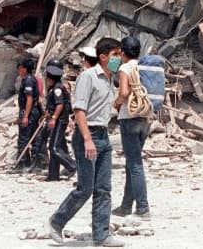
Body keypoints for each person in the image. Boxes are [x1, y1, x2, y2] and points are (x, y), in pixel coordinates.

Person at [48, 37, 125, 247]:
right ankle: (56, 221)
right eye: (115, 55)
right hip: (87, 136)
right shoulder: (88, 77)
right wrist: (88, 139)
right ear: (103, 57)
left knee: (104, 188)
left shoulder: (110, 79)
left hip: (103, 136)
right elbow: (79, 110)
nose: (119, 58)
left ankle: (101, 234)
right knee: (85, 188)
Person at [111, 36, 151, 219]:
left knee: (134, 165)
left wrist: (117, 103)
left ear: (123, 52)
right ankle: (126, 206)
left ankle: (142, 207)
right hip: (144, 118)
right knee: (131, 164)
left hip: (129, 117)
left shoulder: (125, 68)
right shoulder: (144, 66)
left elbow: (124, 92)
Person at [44, 60, 76, 182]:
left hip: (59, 120)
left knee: (54, 148)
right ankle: (53, 174)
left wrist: (53, 118)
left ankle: (72, 166)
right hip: (57, 119)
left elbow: (60, 105)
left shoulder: (58, 88)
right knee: (56, 146)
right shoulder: (54, 88)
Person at [15, 57, 42, 170]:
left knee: (24, 138)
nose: (19, 70)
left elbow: (29, 98)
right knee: (30, 137)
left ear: (25, 69)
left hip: (30, 113)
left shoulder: (29, 80)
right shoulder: (28, 79)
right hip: (30, 111)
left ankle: (25, 163)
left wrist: (25, 116)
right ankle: (31, 163)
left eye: (20, 68)